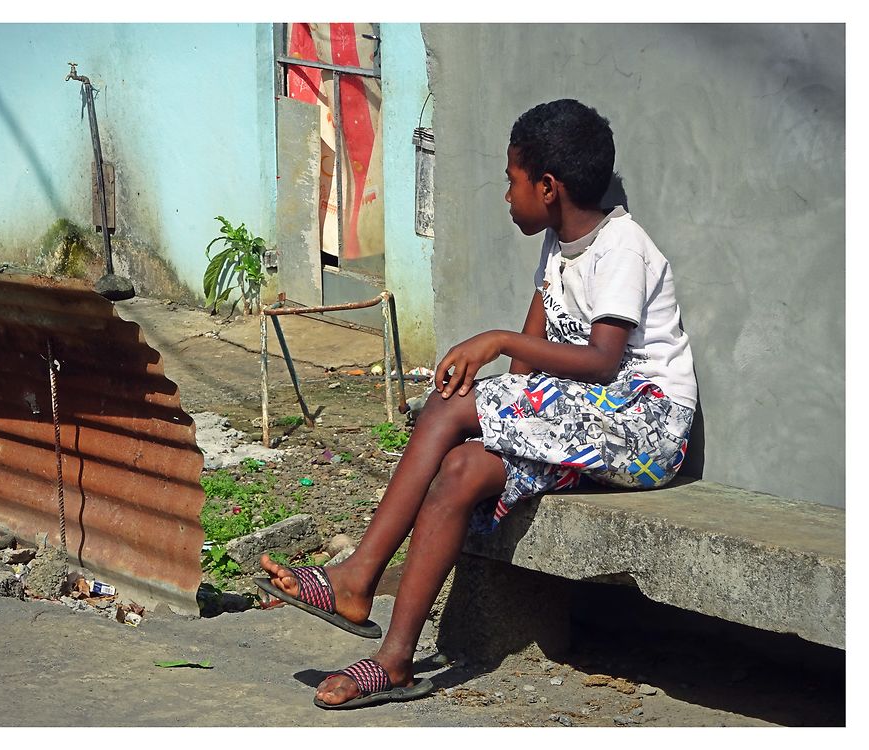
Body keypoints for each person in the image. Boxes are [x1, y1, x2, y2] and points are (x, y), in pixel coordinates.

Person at [256, 99, 698, 710]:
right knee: (462, 465)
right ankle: (397, 659)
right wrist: (501, 410)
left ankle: (357, 578)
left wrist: (492, 342)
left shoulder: (621, 247)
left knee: (446, 410)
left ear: (548, 187)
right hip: (589, 420)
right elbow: (530, 360)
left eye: (511, 180)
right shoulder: (558, 242)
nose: (506, 194)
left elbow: (601, 360)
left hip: (646, 425)